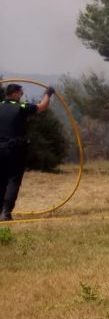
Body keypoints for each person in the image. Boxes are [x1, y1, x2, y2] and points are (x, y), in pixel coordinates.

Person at [0, 83, 53, 221]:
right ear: (15, 94)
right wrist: (48, 93)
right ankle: (5, 212)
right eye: (21, 92)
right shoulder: (21, 107)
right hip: (15, 149)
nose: (22, 95)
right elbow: (42, 106)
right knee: (13, 179)